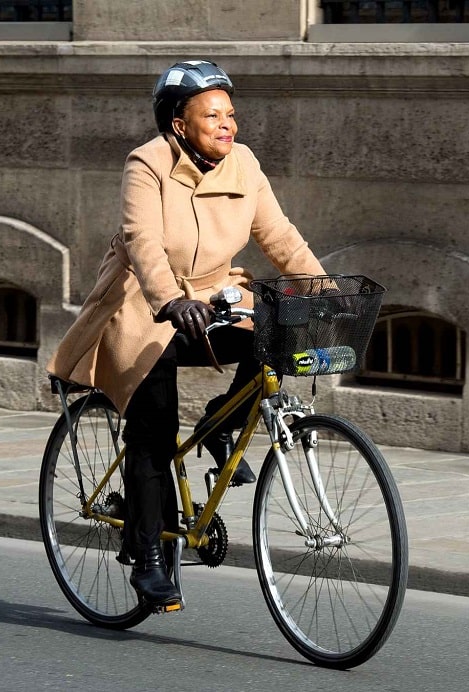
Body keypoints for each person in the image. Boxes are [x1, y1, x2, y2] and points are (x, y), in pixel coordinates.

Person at [47, 60, 327, 608]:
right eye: (212, 115)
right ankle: (147, 557)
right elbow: (142, 240)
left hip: (214, 295)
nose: (229, 125)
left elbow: (279, 236)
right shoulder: (146, 164)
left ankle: (223, 424)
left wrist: (322, 287)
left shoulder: (243, 164)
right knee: (153, 428)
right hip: (144, 303)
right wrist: (168, 300)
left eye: (231, 114)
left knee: (275, 336)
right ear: (179, 122)